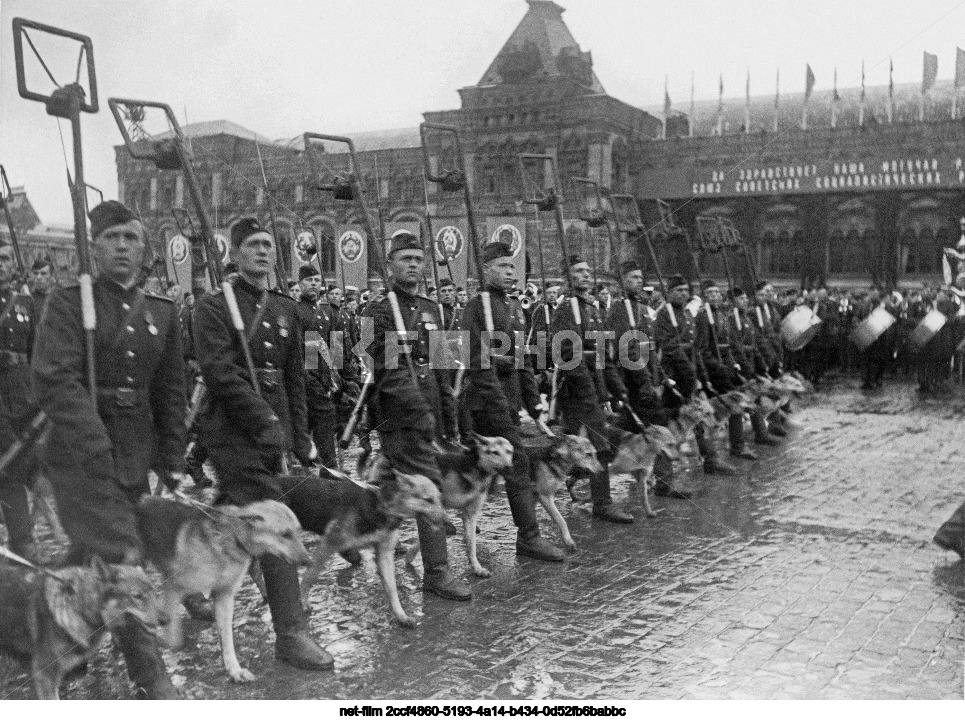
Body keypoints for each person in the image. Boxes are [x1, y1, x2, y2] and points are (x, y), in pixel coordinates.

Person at [32, 200, 185, 698]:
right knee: (123, 556)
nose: (123, 246)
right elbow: (54, 378)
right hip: (81, 455)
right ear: (94, 246)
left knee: (87, 554)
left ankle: (52, 629)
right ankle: (151, 677)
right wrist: (93, 439)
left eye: (132, 238)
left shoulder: (162, 311)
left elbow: (169, 388)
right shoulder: (69, 303)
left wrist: (172, 454)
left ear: (146, 248)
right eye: (112, 237)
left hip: (134, 452)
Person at [193, 217, 334, 671]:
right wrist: (264, 419)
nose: (262, 252)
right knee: (273, 520)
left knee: (228, 512)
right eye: (252, 245)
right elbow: (219, 373)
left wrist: (300, 437)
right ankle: (290, 633)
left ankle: (195, 580)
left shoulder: (287, 308)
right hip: (233, 432)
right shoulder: (214, 307)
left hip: (273, 435)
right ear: (233, 254)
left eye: (268, 245)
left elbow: (295, 379)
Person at [362, 230, 471, 600]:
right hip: (398, 414)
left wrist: (448, 414)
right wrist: (417, 408)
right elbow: (383, 371)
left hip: (430, 411)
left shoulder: (431, 309)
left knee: (401, 486)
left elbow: (442, 366)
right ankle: (437, 572)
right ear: (390, 265)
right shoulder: (375, 312)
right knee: (428, 484)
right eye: (405, 259)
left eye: (418, 259)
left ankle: (368, 531)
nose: (413, 265)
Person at [461, 241, 564, 561]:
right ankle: (528, 537)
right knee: (517, 462)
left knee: (485, 466)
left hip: (508, 400)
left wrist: (533, 405)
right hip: (485, 401)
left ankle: (464, 511)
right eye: (502, 267)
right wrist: (498, 402)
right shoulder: (476, 307)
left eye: (512, 266)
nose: (510, 272)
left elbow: (522, 360)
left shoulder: (515, 307)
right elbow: (474, 360)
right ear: (486, 270)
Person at [549, 255, 633, 523]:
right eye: (578, 271)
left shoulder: (593, 309)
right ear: (568, 278)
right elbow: (567, 355)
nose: (586, 275)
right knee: (598, 445)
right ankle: (602, 503)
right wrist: (589, 390)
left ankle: (575, 481)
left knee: (585, 446)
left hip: (592, 387)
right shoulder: (565, 310)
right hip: (576, 391)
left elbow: (602, 355)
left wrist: (617, 388)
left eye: (587, 270)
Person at [604, 260, 680, 496]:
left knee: (624, 429)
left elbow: (648, 347)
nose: (638, 281)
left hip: (647, 378)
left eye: (640, 277)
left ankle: (602, 466)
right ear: (622, 282)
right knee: (658, 427)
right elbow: (628, 351)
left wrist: (661, 376)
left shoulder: (641, 308)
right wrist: (645, 382)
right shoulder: (620, 310)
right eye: (633, 277)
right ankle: (665, 483)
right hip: (633, 381)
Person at [653, 275, 736, 476]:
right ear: (669, 293)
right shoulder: (665, 314)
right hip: (672, 375)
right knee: (666, 422)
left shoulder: (687, 314)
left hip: (689, 372)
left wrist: (698, 373)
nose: (683, 294)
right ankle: (663, 474)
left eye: (685, 290)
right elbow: (670, 347)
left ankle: (710, 458)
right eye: (678, 290)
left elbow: (695, 347)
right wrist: (688, 372)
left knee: (698, 417)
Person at [0, 243, 38, 561]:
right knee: (9, 465)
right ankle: (23, 539)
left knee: (19, 465)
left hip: (22, 396)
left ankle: (23, 537)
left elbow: (38, 351)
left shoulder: (26, 303)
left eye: (4, 258)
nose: (0, 265)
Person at [294, 264, 339, 468]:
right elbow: (299, 351)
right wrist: (311, 377)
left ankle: (328, 468)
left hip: (320, 380)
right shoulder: (297, 311)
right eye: (309, 280)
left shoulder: (324, 312)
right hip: (305, 380)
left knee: (324, 427)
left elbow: (325, 346)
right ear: (300, 283)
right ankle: (325, 467)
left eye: (317, 281)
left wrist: (333, 374)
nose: (314, 284)